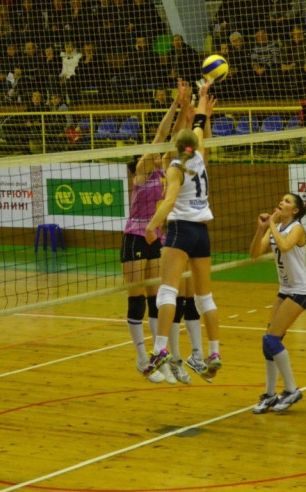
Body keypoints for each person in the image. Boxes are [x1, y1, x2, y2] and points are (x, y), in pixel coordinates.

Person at [143, 81, 221, 382]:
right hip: (202, 233)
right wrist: (202, 98)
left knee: (168, 291)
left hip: (180, 230)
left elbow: (170, 201)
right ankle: (214, 353)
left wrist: (152, 225)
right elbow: (199, 126)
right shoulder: (200, 157)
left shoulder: (176, 167)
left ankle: (160, 349)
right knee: (205, 297)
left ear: (177, 145)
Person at [122, 82, 194, 385]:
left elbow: (175, 138)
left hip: (157, 239)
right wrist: (174, 105)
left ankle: (157, 358)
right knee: (136, 298)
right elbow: (162, 136)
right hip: (135, 236)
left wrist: (185, 110)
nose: (158, 154)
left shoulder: (166, 169)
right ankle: (141, 359)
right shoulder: (141, 172)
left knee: (155, 298)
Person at [249, 194, 306, 413]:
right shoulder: (275, 228)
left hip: (301, 290)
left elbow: (284, 246)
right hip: (285, 290)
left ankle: (291, 390)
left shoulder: (297, 228)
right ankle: (269, 395)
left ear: (295, 210)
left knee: (272, 339)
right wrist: (261, 229)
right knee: (268, 342)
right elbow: (254, 253)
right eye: (282, 200)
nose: (281, 202)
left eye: (287, 201)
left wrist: (271, 225)